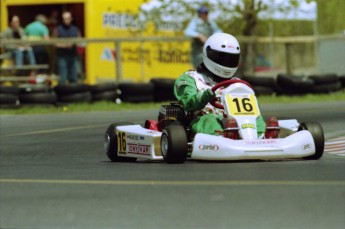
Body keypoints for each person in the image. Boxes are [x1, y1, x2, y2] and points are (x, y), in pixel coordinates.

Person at [174, 33, 278, 139]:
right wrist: (205, 96)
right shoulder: (190, 78)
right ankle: (223, 137)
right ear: (209, 54)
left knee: (255, 116)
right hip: (202, 121)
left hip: (238, 121)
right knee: (209, 119)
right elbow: (188, 102)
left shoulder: (238, 83)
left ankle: (262, 137)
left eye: (231, 59)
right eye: (222, 58)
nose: (226, 63)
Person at [52, 11, 81, 85]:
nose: (66, 20)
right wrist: (64, 45)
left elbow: (80, 41)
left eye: (68, 18)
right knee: (63, 77)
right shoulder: (57, 29)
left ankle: (74, 93)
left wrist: (75, 43)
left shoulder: (75, 29)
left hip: (73, 55)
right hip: (62, 56)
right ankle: (62, 93)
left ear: (71, 19)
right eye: (64, 19)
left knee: (74, 77)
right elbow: (53, 43)